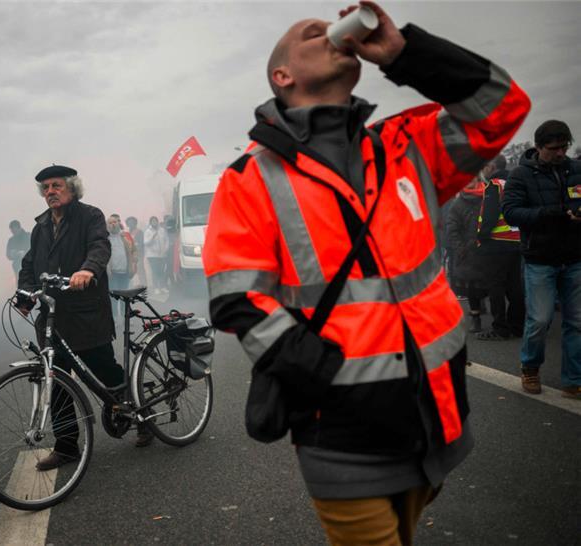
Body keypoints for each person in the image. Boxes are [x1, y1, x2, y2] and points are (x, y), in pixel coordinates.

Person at [202, 2, 530, 544]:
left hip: (438, 420)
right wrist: (325, 378)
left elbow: (501, 106)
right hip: (343, 439)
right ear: (283, 76)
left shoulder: (404, 146)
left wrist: (404, 53)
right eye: (311, 34)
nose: (328, 32)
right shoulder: (249, 178)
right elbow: (236, 297)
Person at [17, 165, 152, 469]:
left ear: (72, 188)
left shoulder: (90, 216)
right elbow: (29, 264)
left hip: (86, 314)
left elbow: (99, 246)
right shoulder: (41, 227)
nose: (50, 192)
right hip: (52, 318)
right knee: (57, 383)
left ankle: (141, 416)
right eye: (45, 188)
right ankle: (66, 447)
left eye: (56, 185)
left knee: (105, 371)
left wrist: (88, 270)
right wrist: (25, 294)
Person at [502, 120, 581, 399]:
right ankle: (530, 367)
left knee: (576, 322)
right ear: (538, 147)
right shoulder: (520, 175)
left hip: (575, 257)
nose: (560, 153)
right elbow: (511, 213)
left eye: (564, 147)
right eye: (554, 148)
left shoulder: (576, 169)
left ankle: (573, 379)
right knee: (539, 319)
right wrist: (550, 214)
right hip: (540, 259)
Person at [473, 160, 524, 340]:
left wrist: (481, 237)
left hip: (496, 243)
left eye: (484, 166)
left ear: (491, 167)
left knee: (496, 287)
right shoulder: (515, 184)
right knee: (515, 286)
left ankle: (500, 328)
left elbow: (490, 215)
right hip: (516, 242)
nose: (482, 171)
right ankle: (517, 326)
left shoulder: (494, 185)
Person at [446, 178, 488, 333]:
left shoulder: (489, 197)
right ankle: (475, 317)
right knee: (472, 286)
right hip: (468, 252)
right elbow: (452, 228)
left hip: (488, 249)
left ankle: (499, 319)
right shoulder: (458, 204)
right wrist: (460, 249)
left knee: (492, 284)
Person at [106, 214, 137, 318]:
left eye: (114, 222)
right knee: (114, 297)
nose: (113, 224)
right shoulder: (105, 239)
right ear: (107, 226)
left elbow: (133, 251)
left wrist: (134, 263)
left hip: (125, 272)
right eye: (110, 223)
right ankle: (114, 318)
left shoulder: (125, 237)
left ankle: (126, 317)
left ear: (119, 223)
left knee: (125, 297)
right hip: (113, 273)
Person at [143, 216, 168, 294]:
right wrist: (152, 237)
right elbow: (146, 242)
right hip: (152, 255)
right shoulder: (148, 231)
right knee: (155, 271)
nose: (154, 222)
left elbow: (166, 240)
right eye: (152, 221)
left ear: (157, 221)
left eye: (155, 221)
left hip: (162, 255)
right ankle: (156, 287)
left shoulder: (162, 230)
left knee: (162, 271)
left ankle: (162, 287)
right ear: (150, 222)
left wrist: (165, 249)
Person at [125, 216, 147, 287]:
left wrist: (136, 253)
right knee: (130, 270)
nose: (131, 224)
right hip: (129, 255)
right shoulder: (127, 233)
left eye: (132, 222)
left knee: (140, 269)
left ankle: (144, 285)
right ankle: (131, 286)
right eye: (129, 223)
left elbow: (140, 244)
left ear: (135, 223)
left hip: (138, 254)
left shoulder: (139, 232)